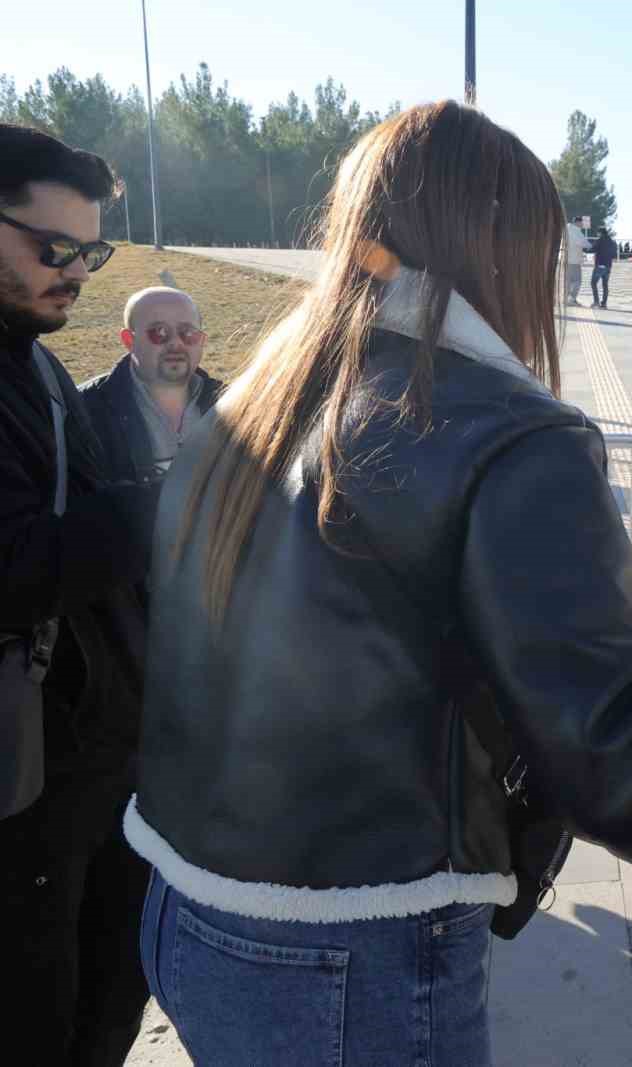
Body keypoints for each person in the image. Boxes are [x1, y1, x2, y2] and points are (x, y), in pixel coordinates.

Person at [127, 101, 632, 1066]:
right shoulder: (515, 434)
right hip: (357, 944)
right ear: (499, 248)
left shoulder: (259, 393)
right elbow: (614, 758)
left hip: (185, 906)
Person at [0, 122, 158, 1066]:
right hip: (22, 789)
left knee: (107, 991)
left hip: (90, 767)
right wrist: (169, 505)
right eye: (52, 249)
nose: (76, 272)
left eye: (89, 252)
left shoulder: (36, 354)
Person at [79, 287, 223, 485]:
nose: (176, 343)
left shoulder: (234, 404)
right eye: (159, 332)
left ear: (202, 340)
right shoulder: (86, 410)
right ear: (129, 340)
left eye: (188, 333)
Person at [590, 226, 618, 309]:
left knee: (593, 283)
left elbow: (592, 250)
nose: (597, 234)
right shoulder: (612, 242)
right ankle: (604, 303)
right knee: (605, 285)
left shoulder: (599, 241)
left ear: (600, 233)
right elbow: (614, 255)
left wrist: (584, 249)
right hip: (608, 266)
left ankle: (596, 302)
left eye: (598, 233)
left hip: (599, 265)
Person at [564, 215, 589, 304]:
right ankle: (571, 299)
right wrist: (590, 246)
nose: (582, 225)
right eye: (581, 223)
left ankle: (566, 299)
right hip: (574, 260)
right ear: (577, 222)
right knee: (577, 280)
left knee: (568, 281)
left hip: (565, 259)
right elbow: (584, 243)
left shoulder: (566, 229)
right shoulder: (576, 231)